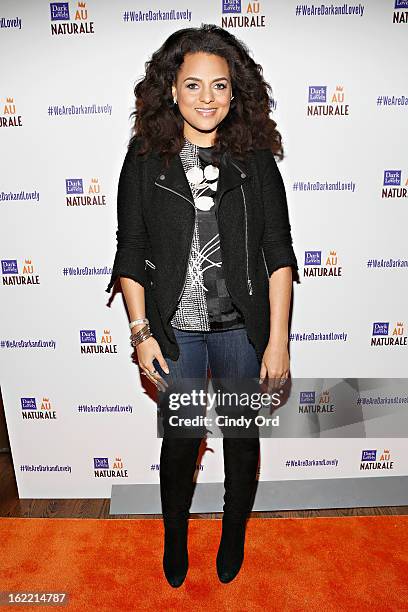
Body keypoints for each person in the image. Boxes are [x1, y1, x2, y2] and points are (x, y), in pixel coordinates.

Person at [105, 24, 299, 587]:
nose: (207, 98)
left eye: (219, 85)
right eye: (193, 85)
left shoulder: (256, 160)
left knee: (241, 441)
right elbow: (132, 250)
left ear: (235, 92)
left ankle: (234, 531)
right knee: (182, 442)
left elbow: (278, 253)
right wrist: (141, 333)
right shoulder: (145, 158)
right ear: (172, 90)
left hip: (242, 330)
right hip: (176, 333)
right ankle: (174, 533)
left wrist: (278, 339)